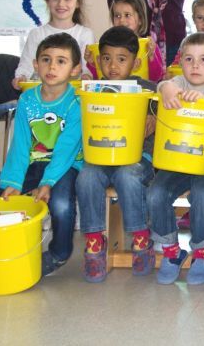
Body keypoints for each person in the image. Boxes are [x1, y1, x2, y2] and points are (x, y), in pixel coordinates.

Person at [0, 33, 83, 280]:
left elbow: (66, 150)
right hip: (32, 163)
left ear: (75, 70)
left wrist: (48, 183)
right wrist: (13, 183)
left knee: (61, 206)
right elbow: (20, 145)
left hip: (65, 167)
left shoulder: (76, 104)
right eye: (46, 59)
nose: (52, 66)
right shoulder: (27, 100)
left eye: (61, 61)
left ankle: (59, 253)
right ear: (35, 65)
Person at [76, 27, 157, 282]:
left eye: (121, 59)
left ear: (136, 62)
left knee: (128, 175)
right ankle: (93, 241)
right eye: (107, 58)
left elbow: (165, 115)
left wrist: (153, 119)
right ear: (98, 60)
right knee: (87, 176)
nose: (113, 66)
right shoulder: (92, 89)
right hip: (100, 158)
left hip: (137, 158)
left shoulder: (147, 89)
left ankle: (141, 238)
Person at [147, 33, 204, 286]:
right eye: (189, 59)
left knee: (203, 197)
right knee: (155, 193)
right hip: (177, 160)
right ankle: (172, 251)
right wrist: (166, 87)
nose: (195, 65)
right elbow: (162, 86)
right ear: (180, 61)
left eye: (203, 59)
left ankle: (202, 253)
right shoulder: (179, 81)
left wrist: (202, 102)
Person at [12, 0, 94, 89]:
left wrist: (87, 76)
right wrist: (21, 76)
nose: (61, 4)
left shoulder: (85, 34)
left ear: (78, 3)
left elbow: (88, 67)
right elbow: (26, 64)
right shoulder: (36, 34)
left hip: (72, 94)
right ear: (47, 1)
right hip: (42, 93)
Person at [86, 0, 165, 82]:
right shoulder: (109, 45)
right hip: (115, 93)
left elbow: (156, 77)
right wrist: (93, 63)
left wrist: (151, 56)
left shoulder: (148, 46)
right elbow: (102, 77)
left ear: (140, 20)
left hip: (141, 93)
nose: (122, 20)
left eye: (127, 15)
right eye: (117, 16)